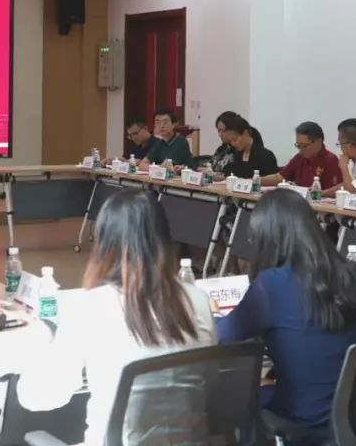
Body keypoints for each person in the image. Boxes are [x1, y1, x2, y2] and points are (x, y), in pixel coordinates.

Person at [17, 190, 216, 443]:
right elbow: (209, 382)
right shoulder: (198, 299)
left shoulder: (90, 307)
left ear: (105, 244)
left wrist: (40, 337)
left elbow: (38, 397)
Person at [215, 189, 356, 443]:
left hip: (303, 419)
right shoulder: (352, 273)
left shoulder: (271, 285)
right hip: (355, 417)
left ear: (268, 239)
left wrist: (209, 312)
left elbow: (223, 336)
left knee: (228, 394)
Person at [262, 121, 342, 190]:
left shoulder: (330, 160)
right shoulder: (300, 157)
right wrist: (256, 180)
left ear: (318, 141)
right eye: (298, 145)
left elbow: (335, 191)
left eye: (304, 146)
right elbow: (280, 177)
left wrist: (316, 193)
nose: (300, 150)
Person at [218, 114, 278, 179]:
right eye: (230, 141)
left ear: (245, 133)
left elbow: (272, 180)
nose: (233, 144)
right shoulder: (236, 154)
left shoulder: (266, 156)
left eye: (235, 140)